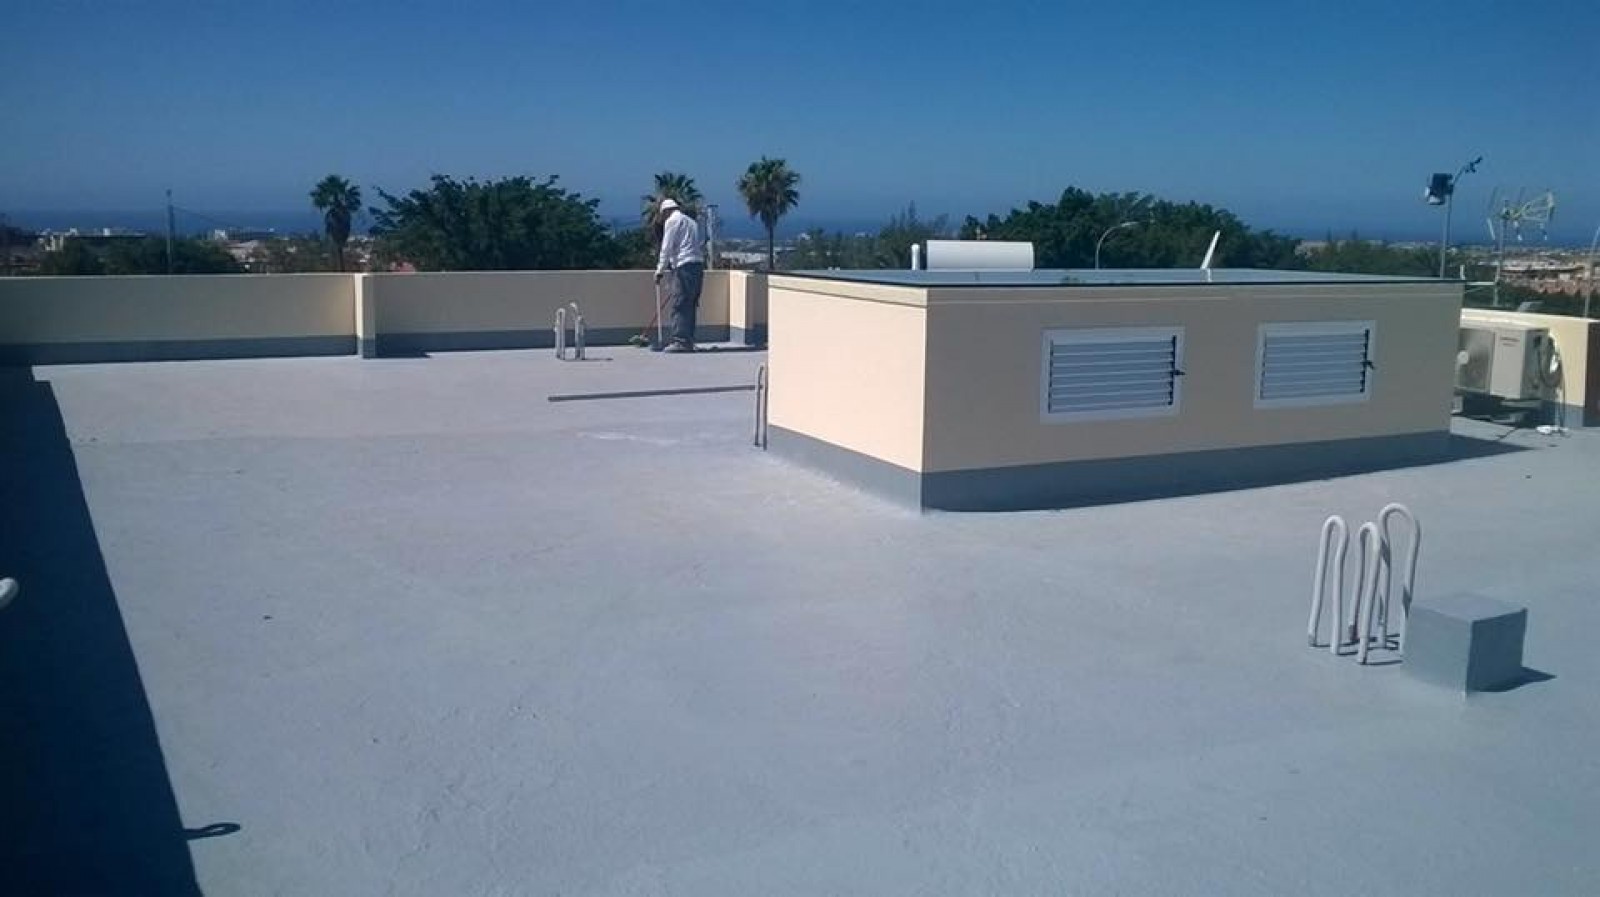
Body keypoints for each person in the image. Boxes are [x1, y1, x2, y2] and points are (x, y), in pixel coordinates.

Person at [654, 198, 706, 353]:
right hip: (697, 265)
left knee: (680, 303)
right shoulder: (691, 222)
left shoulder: (672, 221)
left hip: (683, 266)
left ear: (666, 211)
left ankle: (681, 341)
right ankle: (688, 340)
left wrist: (660, 270)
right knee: (690, 304)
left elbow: (666, 247)